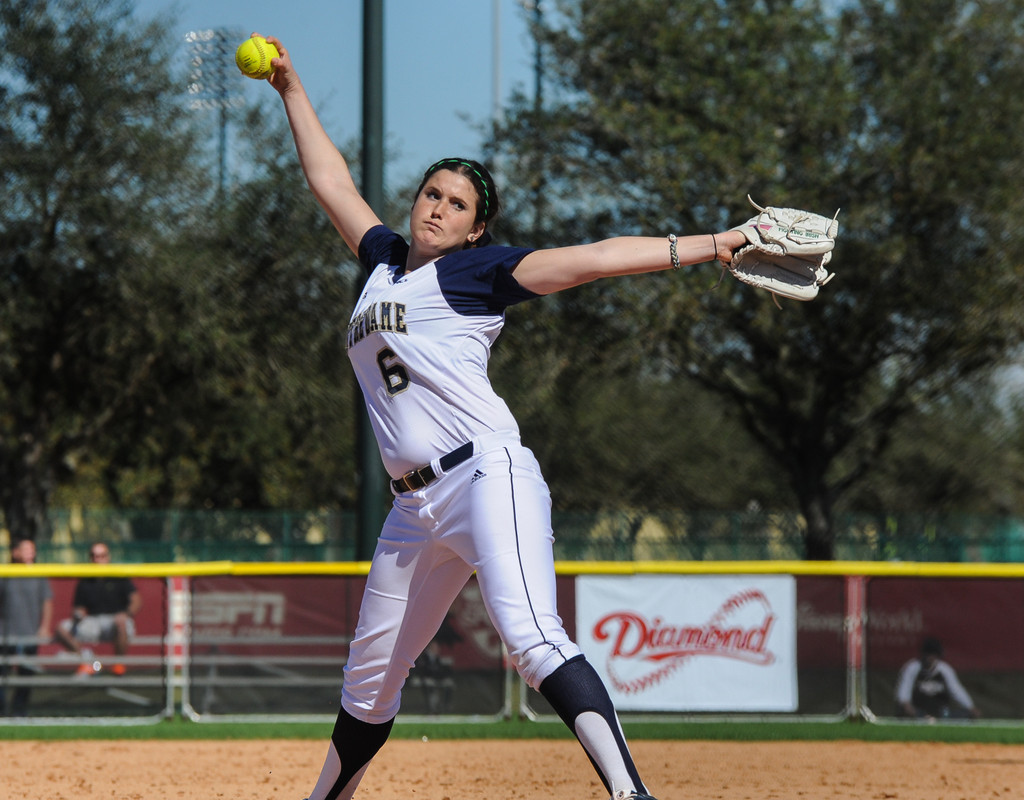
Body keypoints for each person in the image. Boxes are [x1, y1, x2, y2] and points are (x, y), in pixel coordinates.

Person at [259, 32, 752, 800]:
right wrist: (290, 88)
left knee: (529, 633)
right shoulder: (384, 260)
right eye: (432, 193)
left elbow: (592, 258)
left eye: (457, 204)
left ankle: (633, 796)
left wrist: (714, 244)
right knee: (366, 681)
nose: (439, 207)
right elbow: (329, 180)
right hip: (412, 507)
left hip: (484, 473)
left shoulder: (475, 273)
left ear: (473, 228)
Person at [54, 542, 141, 677]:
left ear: (108, 557)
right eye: (94, 556)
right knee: (62, 628)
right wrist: (79, 614)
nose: (98, 560)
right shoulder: (85, 580)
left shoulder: (119, 575)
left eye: (102, 556)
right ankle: (89, 661)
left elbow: (136, 600)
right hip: (93, 621)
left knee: (121, 623)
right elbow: (78, 608)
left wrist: (126, 614)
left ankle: (119, 664)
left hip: (115, 621)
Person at [0, 537, 53, 716]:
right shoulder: (6, 573)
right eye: (25, 549)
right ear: (15, 553)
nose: (30, 552)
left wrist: (44, 626)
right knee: (2, 674)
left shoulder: (38, 574)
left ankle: (19, 713)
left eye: (32, 549)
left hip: (29, 632)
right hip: (6, 633)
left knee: (26, 675)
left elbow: (47, 601)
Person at [895, 637, 981, 721]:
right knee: (902, 712)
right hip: (918, 712)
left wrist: (970, 706)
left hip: (940, 713)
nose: (930, 658)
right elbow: (904, 690)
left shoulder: (945, 669)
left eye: (933, 655)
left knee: (965, 714)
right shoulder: (912, 667)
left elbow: (956, 690)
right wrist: (907, 706)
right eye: (928, 654)